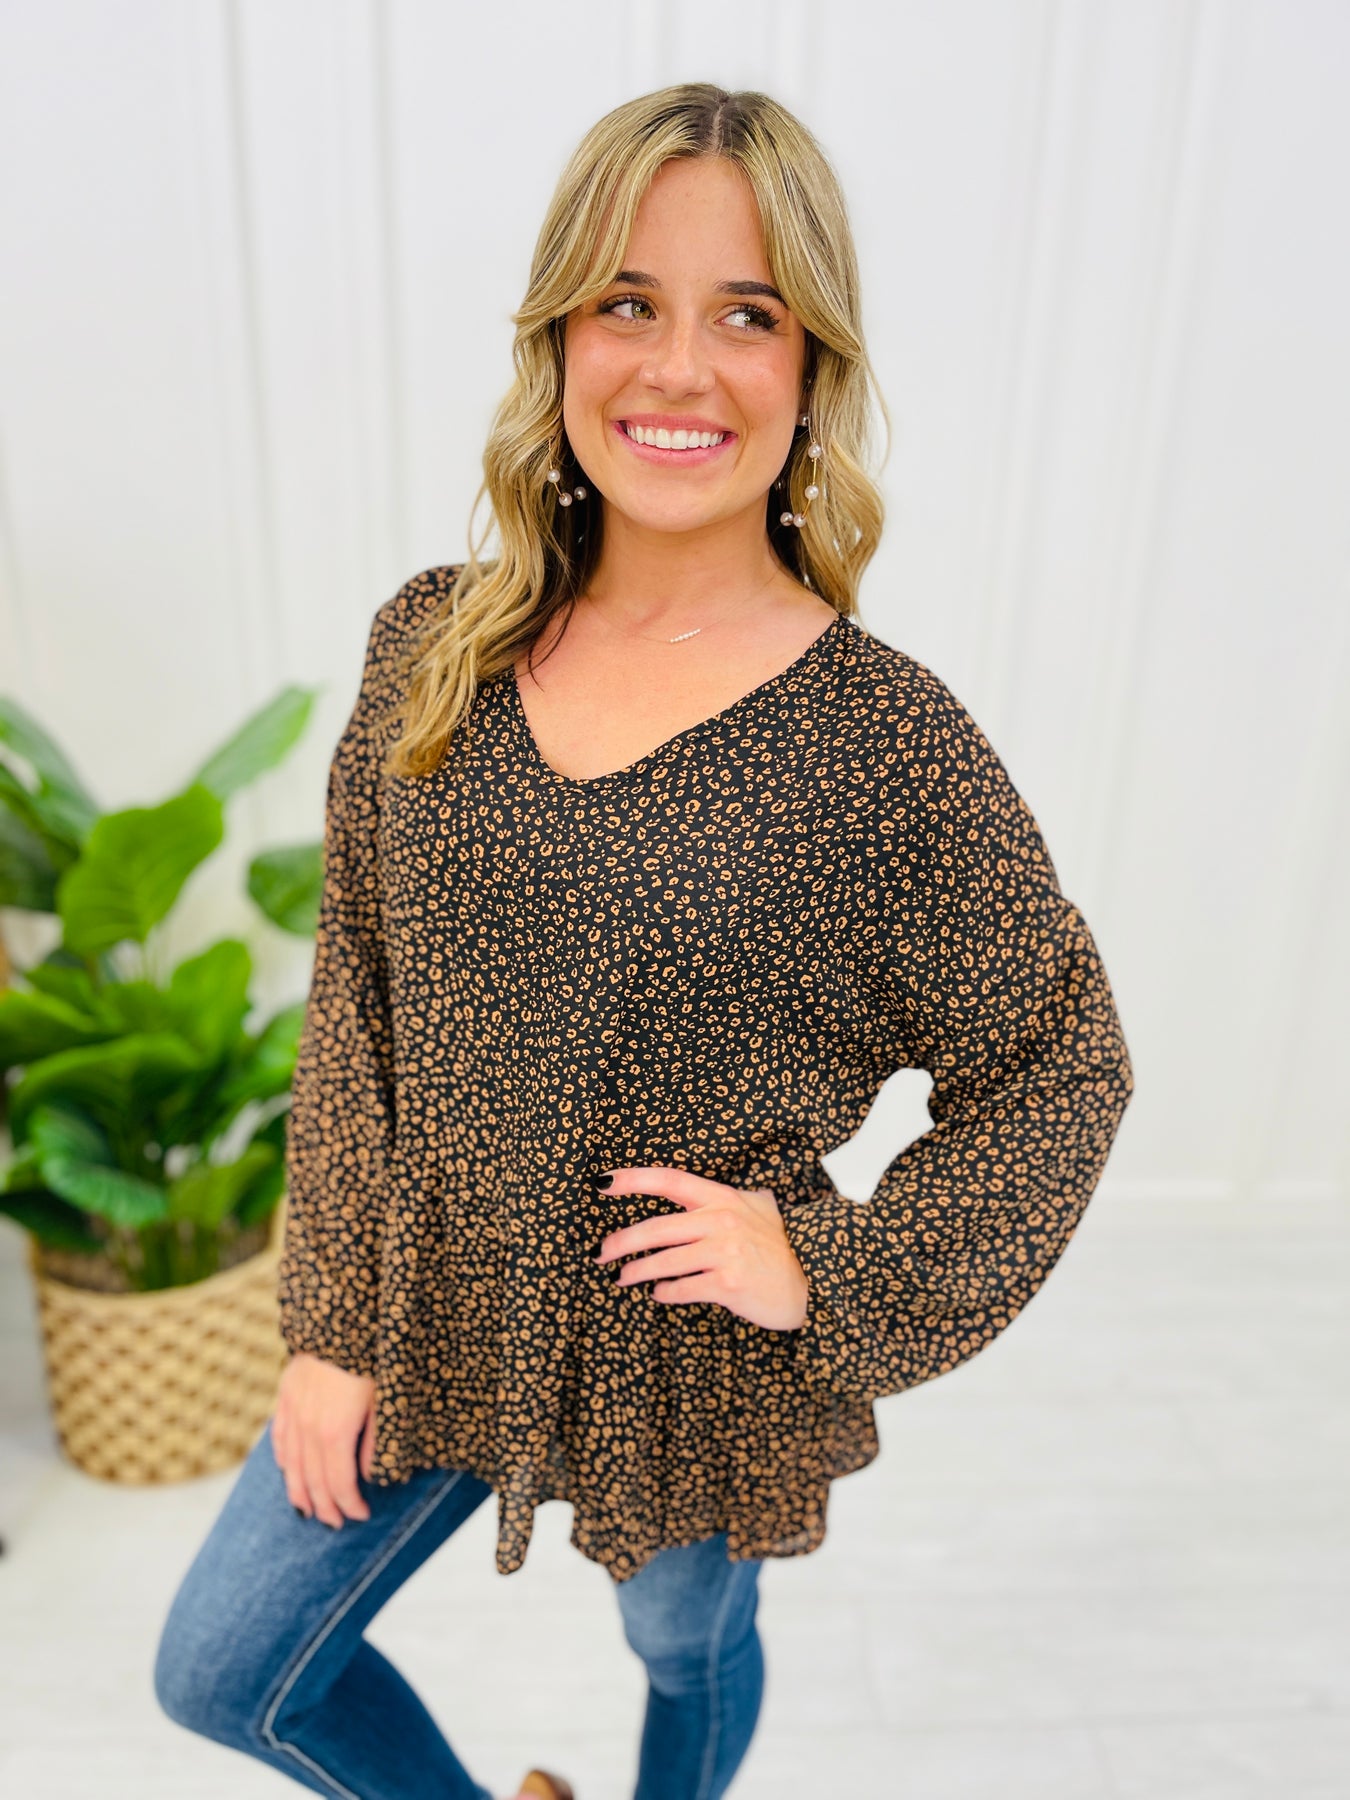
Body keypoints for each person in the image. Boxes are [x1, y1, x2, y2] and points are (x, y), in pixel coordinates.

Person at [153, 81, 1134, 1800]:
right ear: (557, 339)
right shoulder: (433, 649)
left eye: (744, 315)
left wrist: (825, 1266)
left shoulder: (883, 749)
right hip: (423, 1299)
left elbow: (1059, 1061)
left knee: (682, 1651)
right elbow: (359, 1001)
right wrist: (327, 1322)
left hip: (683, 1358)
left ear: (810, 369)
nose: (678, 369)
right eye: (627, 303)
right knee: (225, 1670)